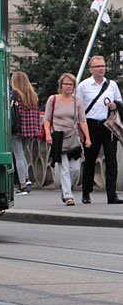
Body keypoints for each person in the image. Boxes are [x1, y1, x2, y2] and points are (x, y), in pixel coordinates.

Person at [77, 55, 123, 204]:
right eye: (98, 66)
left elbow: (120, 102)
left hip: (108, 125)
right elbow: (79, 108)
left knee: (111, 160)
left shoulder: (112, 85)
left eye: (103, 66)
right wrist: (82, 131)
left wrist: (115, 105)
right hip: (91, 125)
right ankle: (86, 192)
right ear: (91, 69)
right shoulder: (84, 86)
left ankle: (112, 194)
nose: (101, 69)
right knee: (90, 160)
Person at [44, 73, 91, 206]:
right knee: (64, 167)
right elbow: (47, 120)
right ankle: (68, 195)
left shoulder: (77, 102)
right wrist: (48, 134)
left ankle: (65, 189)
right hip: (58, 136)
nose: (68, 87)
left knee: (75, 168)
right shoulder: (52, 99)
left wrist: (87, 138)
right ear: (61, 85)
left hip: (73, 136)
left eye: (71, 84)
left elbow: (82, 121)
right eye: (66, 84)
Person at [10, 71, 40, 195]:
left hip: (17, 129)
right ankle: (26, 179)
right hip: (30, 129)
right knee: (22, 155)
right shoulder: (32, 95)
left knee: (18, 156)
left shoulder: (15, 95)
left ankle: (22, 184)